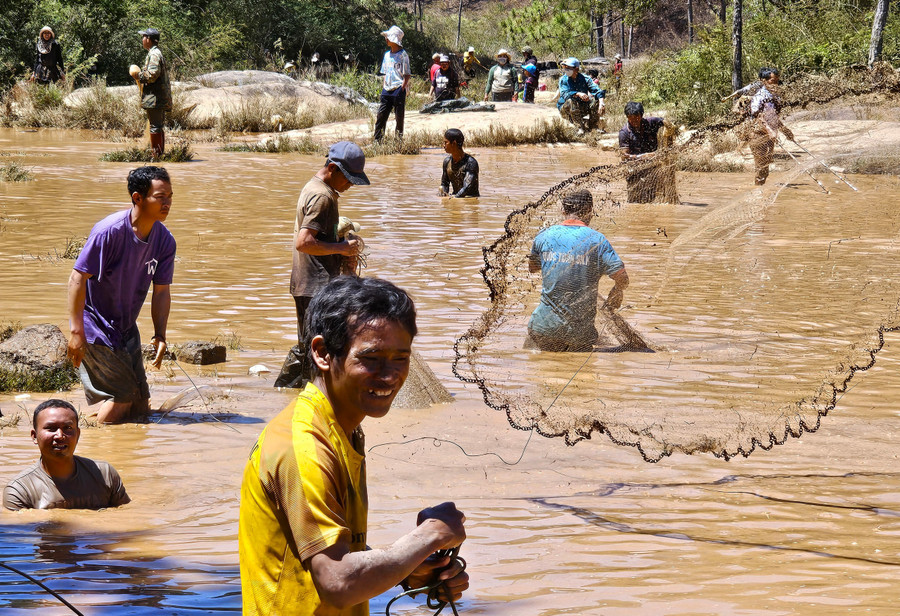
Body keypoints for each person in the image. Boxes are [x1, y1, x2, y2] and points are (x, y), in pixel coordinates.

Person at [240, 276, 469, 615]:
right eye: (371, 358)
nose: (389, 374)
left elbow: (334, 549)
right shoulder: (303, 447)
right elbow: (337, 582)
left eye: (400, 358)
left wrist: (410, 570)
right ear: (322, 353)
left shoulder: (341, 428)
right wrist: (429, 537)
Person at [67, 166, 176, 424]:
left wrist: (160, 334)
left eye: (170, 196)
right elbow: (76, 278)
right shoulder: (109, 232)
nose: (167, 203)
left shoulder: (165, 241)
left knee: (140, 404)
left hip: (126, 328)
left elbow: (161, 291)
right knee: (123, 397)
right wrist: (76, 332)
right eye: (160, 197)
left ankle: (111, 442)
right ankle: (91, 441)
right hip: (96, 326)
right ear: (138, 198)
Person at [274, 142, 368, 389]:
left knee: (311, 347)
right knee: (317, 352)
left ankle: (289, 394)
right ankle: (309, 401)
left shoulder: (316, 188)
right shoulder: (322, 196)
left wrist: (340, 242)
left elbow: (318, 238)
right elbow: (304, 242)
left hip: (311, 285)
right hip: (315, 287)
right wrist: (342, 248)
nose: (349, 185)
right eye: (348, 179)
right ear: (333, 168)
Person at [527, 190, 629, 352]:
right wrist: (618, 290)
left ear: (563, 211)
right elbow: (622, 277)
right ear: (590, 211)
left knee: (537, 367)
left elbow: (533, 268)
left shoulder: (544, 236)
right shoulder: (598, 240)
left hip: (542, 328)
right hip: (578, 335)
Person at [3, 399, 130, 511]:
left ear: (78, 434)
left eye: (68, 428)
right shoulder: (20, 490)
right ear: (34, 436)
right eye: (51, 428)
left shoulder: (104, 474)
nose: (60, 435)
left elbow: (128, 516)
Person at [618, 101, 678, 203]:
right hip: (635, 171)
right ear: (627, 117)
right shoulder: (624, 133)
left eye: (636, 117)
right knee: (635, 201)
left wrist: (669, 131)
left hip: (653, 169)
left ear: (641, 115)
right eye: (630, 118)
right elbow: (624, 156)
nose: (634, 121)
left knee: (653, 196)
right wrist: (644, 156)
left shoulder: (651, 123)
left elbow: (667, 123)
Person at [128, 28, 172, 161]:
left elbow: (152, 75)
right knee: (157, 126)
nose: (142, 39)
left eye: (143, 37)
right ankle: (159, 155)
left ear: (148, 39)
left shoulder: (154, 54)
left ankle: (156, 157)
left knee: (155, 126)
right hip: (156, 97)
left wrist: (138, 75)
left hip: (155, 98)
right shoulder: (154, 53)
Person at [746, 68, 794, 185]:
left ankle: (759, 190)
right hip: (758, 134)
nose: (776, 84)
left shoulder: (775, 96)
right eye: (773, 81)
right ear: (764, 81)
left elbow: (773, 116)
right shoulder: (759, 96)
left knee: (766, 167)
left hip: (770, 134)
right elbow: (758, 117)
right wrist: (770, 130)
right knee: (761, 166)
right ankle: (757, 194)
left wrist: (784, 130)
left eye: (777, 81)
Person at [373, 25, 411, 141]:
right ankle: (378, 140)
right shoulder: (386, 55)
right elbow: (385, 73)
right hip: (386, 89)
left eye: (388, 37)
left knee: (399, 117)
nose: (386, 39)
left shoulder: (403, 55)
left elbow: (407, 74)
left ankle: (398, 141)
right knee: (381, 115)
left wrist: (402, 88)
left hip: (398, 88)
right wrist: (384, 86)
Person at [557, 57, 606, 134]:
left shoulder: (585, 78)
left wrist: (601, 102)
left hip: (581, 107)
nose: (566, 69)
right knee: (571, 101)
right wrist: (578, 94)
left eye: (569, 68)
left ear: (576, 69)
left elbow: (597, 91)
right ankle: (579, 127)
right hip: (566, 109)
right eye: (565, 67)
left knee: (596, 101)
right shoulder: (563, 79)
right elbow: (565, 94)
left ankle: (593, 126)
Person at [440, 128, 479, 198]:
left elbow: (466, 187)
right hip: (456, 197)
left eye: (446, 142)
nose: (444, 145)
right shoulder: (447, 162)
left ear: (454, 143)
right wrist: (442, 195)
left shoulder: (470, 163)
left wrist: (454, 199)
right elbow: (444, 184)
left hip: (470, 201)